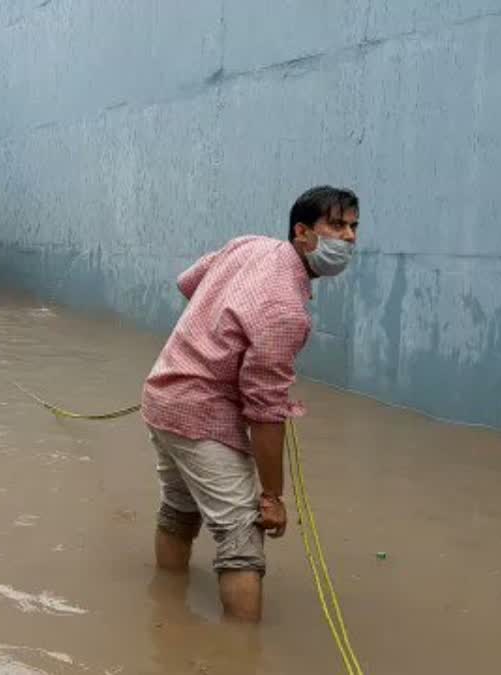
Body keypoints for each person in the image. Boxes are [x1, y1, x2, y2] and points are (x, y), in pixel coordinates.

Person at [141, 186, 360, 623]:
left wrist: (214, 337)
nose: (350, 238)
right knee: (242, 538)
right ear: (303, 232)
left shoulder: (249, 245)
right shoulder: (285, 311)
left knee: (179, 509)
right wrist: (273, 496)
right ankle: (240, 652)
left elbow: (189, 283)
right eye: (337, 226)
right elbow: (264, 412)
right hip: (200, 413)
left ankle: (165, 608)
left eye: (354, 227)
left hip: (162, 395)